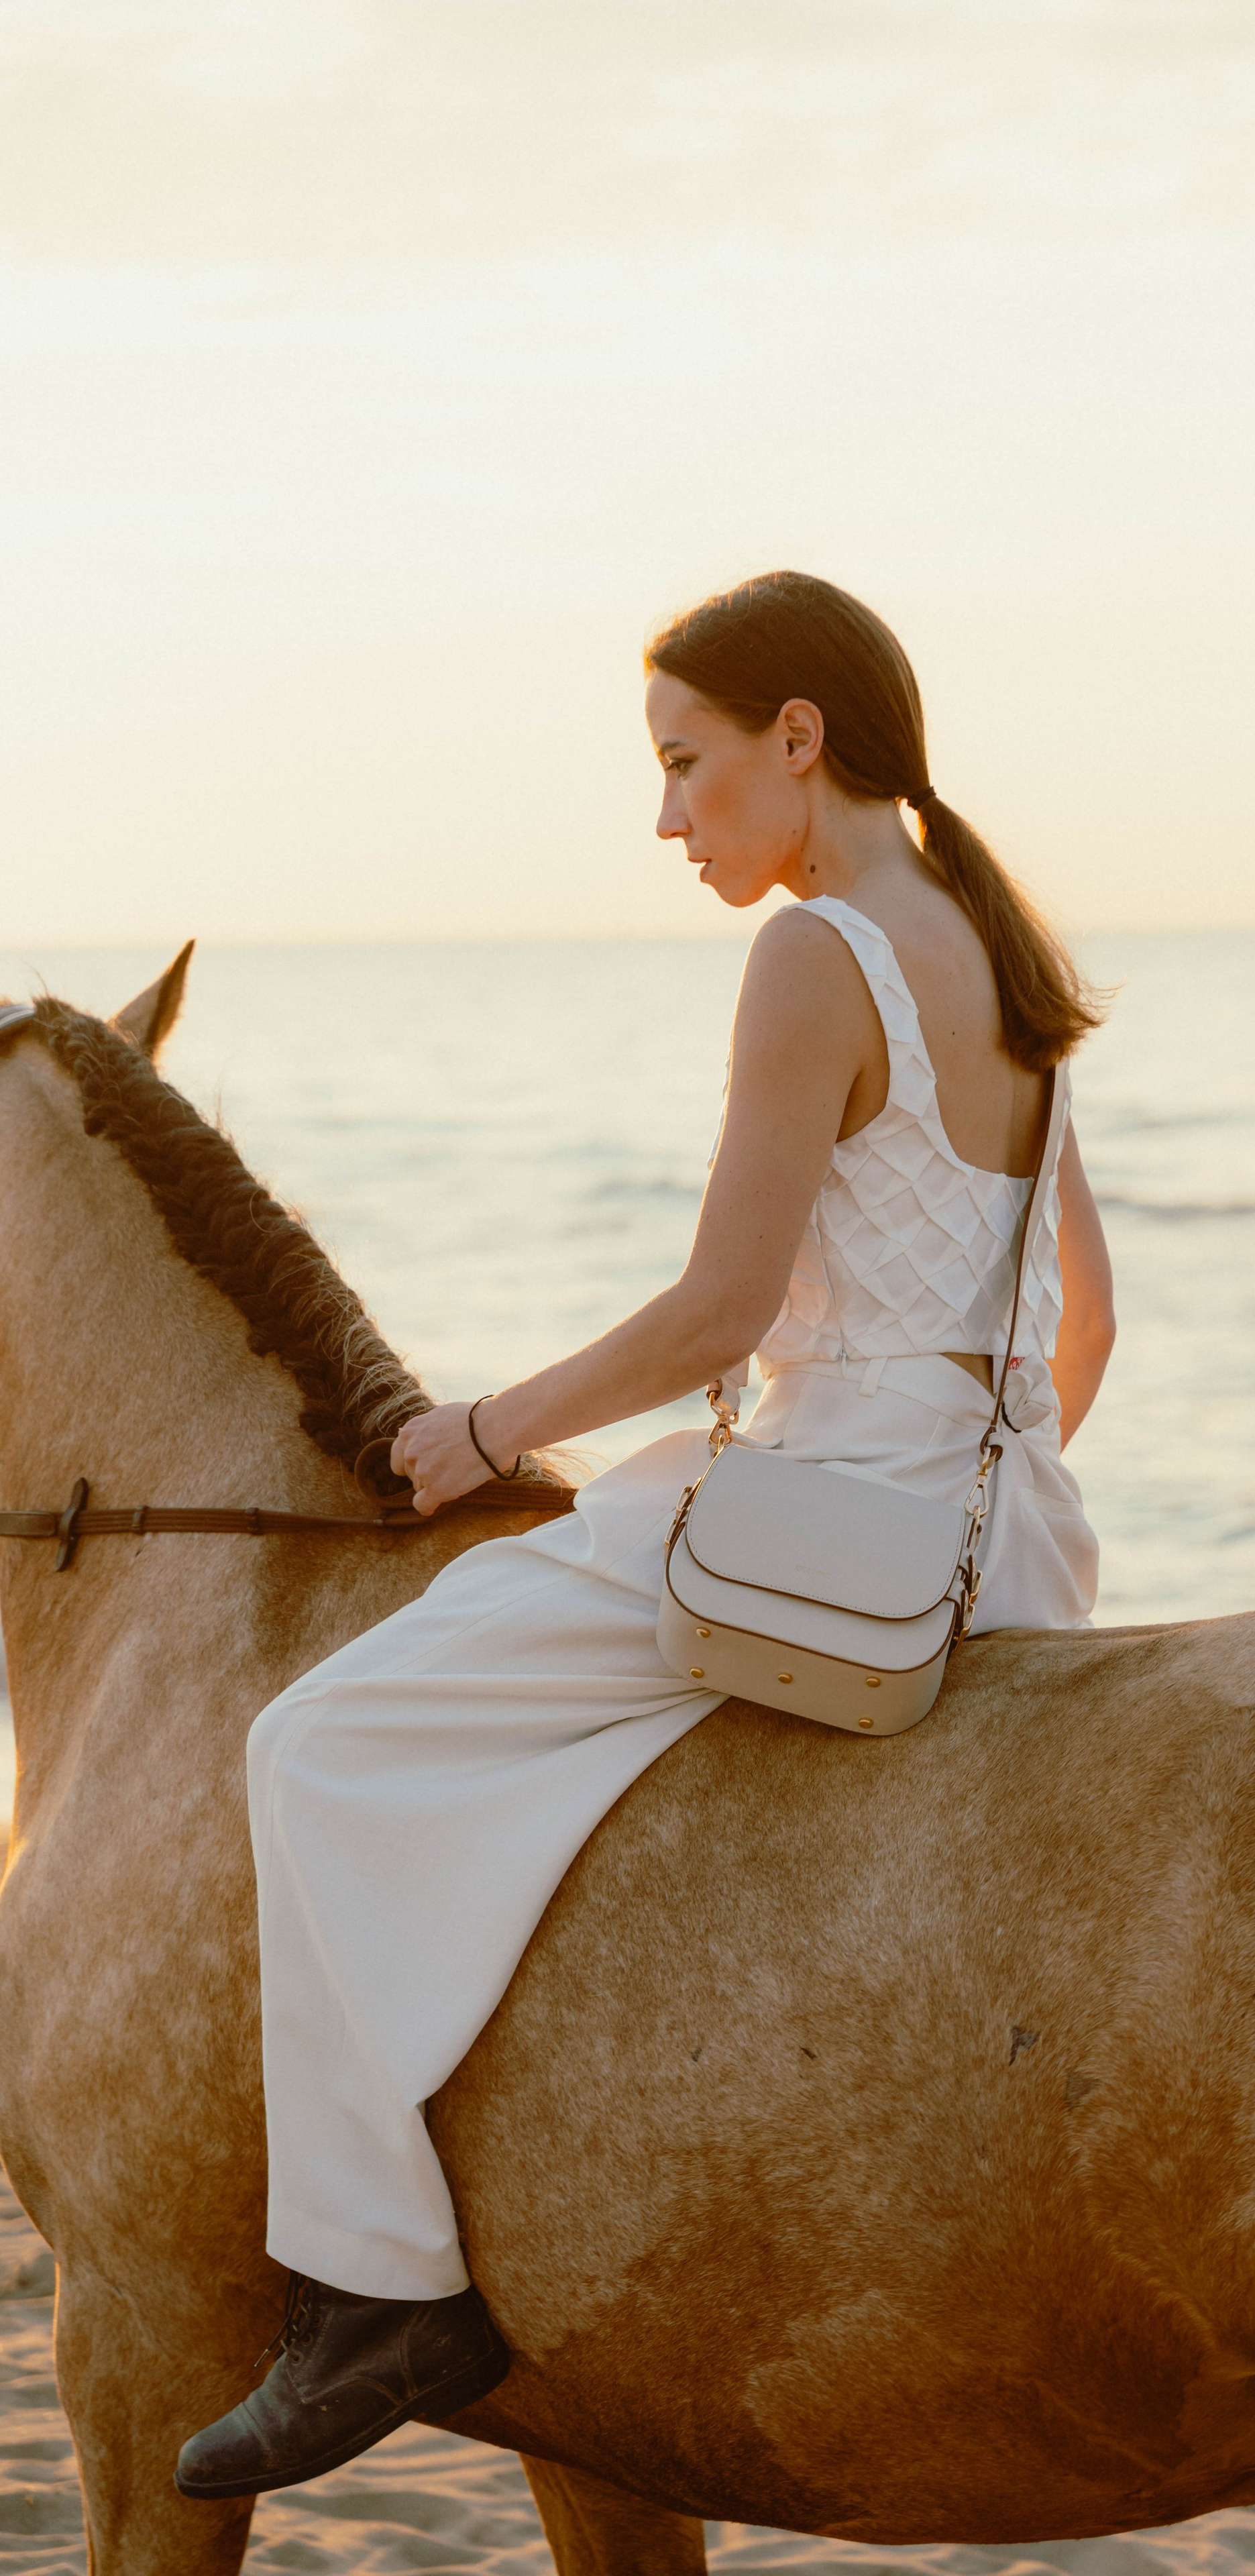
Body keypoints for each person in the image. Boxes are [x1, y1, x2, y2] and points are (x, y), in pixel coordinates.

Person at [177, 570, 1117, 2501]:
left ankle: (380, 2294)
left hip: (833, 1518)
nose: (666, 817)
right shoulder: (1005, 955)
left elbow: (717, 1315)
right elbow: (1084, 1330)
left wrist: (480, 1432)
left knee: (317, 1744)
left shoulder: (818, 955)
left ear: (800, 737)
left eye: (685, 766)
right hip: (1015, 1535)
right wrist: (960, 1480)